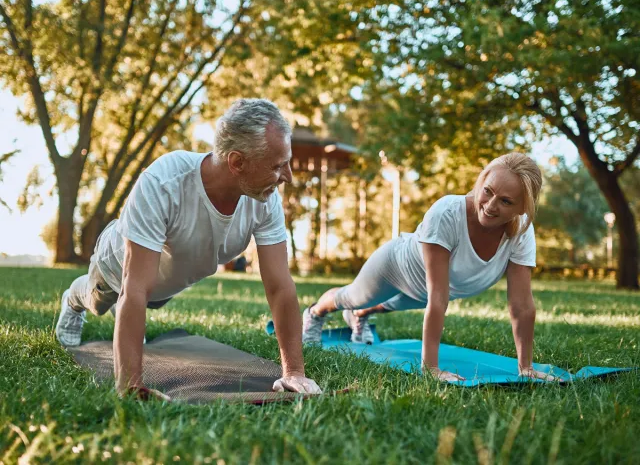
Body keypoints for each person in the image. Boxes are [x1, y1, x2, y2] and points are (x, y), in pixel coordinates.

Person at [56, 99, 321, 399]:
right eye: (276, 166)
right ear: (237, 162)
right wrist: (129, 386)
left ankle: (126, 315)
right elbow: (134, 288)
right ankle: (72, 300)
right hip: (118, 267)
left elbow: (280, 286)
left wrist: (294, 373)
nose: (287, 176)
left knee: (147, 300)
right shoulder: (163, 182)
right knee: (100, 300)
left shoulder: (263, 199)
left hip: (164, 282)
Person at [302, 153, 556, 382]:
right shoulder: (447, 212)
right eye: (487, 191)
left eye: (506, 201)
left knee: (379, 306)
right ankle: (315, 314)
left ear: (523, 207)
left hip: (428, 292)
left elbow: (521, 305)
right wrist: (431, 368)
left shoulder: (521, 232)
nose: (490, 205)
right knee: (353, 297)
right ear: (479, 183)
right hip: (396, 267)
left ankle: (360, 317)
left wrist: (526, 368)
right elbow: (438, 297)